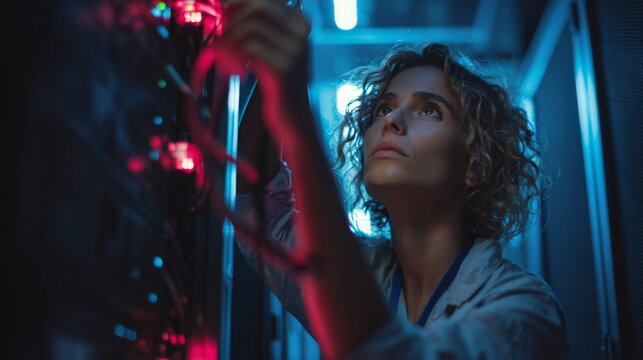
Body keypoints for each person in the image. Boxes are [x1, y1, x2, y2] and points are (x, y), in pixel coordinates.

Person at [219, 0, 568, 358]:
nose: (390, 120)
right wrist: (274, 74)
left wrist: (297, 122)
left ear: (476, 163)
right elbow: (259, 206)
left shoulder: (524, 307)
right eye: (384, 107)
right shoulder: (369, 270)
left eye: (430, 110)